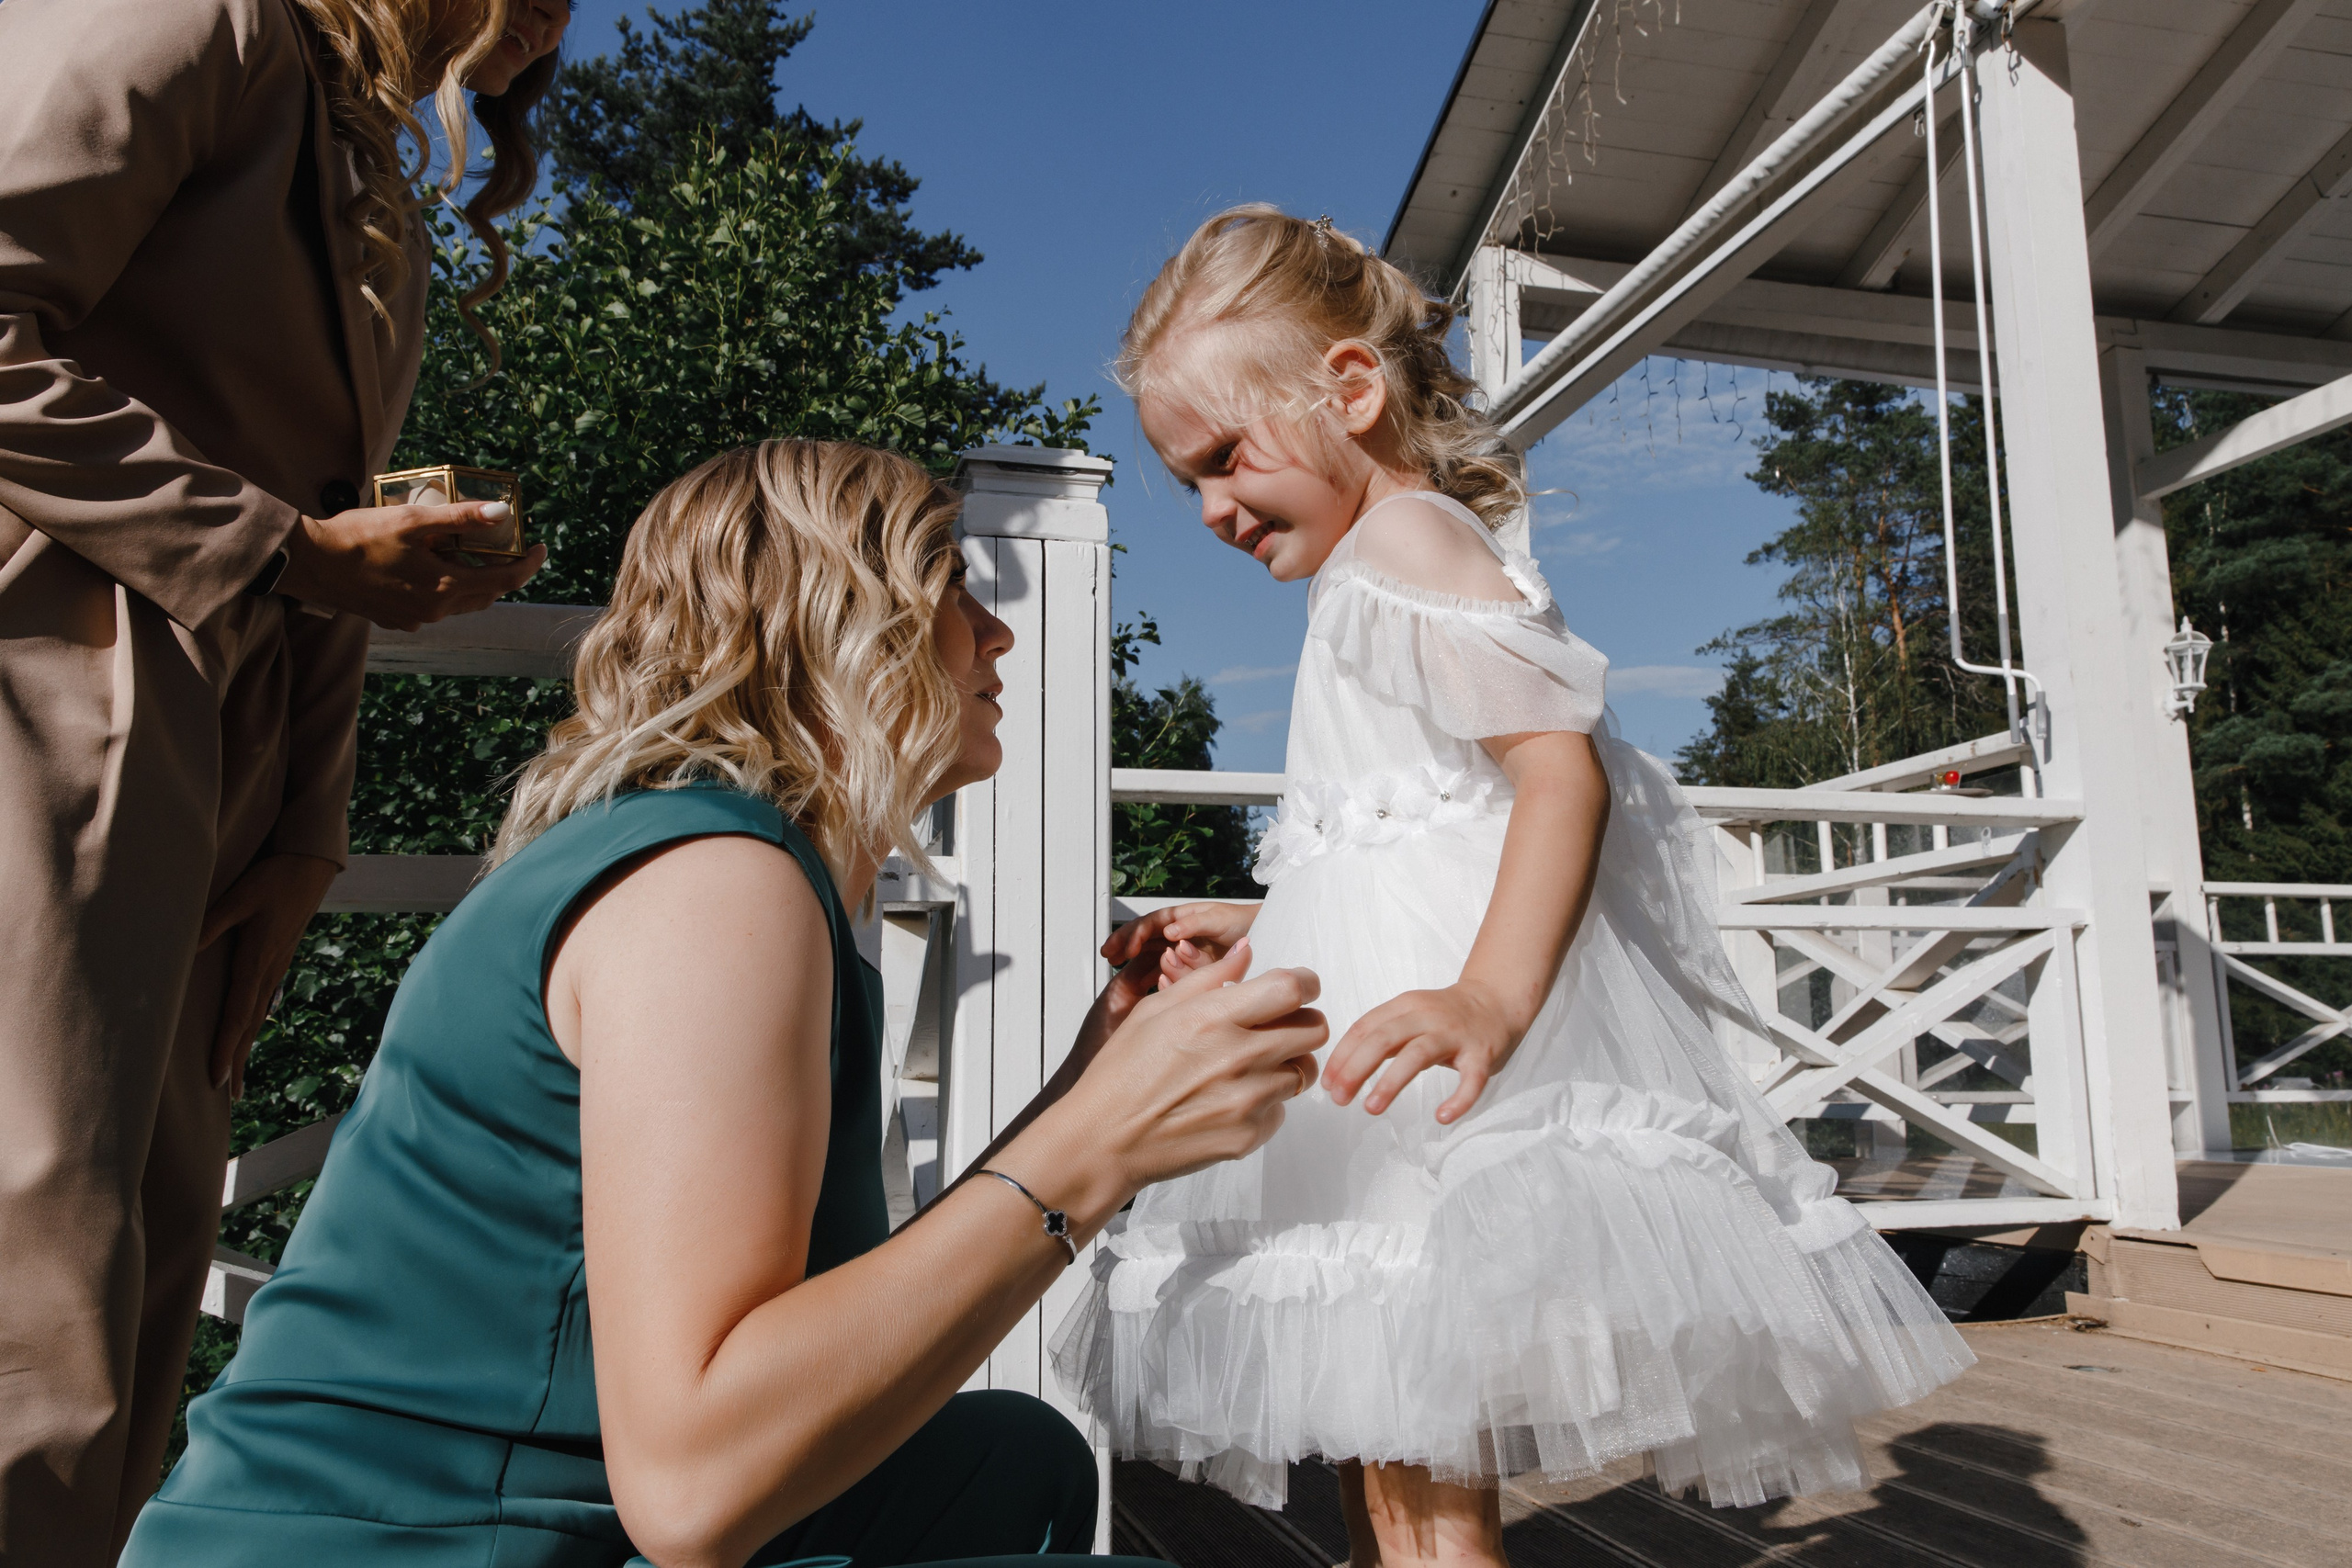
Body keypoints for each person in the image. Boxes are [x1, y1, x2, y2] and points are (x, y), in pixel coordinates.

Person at [122, 439, 1329, 1565]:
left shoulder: (743, 868)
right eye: (952, 590)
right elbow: (696, 1488)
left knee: (1017, 1463)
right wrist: (1098, 1145)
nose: (996, 636)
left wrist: (1093, 1078)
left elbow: (817, 1326)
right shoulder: (715, 888)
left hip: (523, 1517)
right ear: (836, 626)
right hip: (411, 1542)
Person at [1052, 207, 1974, 1565]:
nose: (1211, 508)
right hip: (1374, 1053)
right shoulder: (1369, 569)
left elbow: (1562, 776)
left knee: (1421, 1457)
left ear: (1353, 390)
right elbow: (1432, 825)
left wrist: (1490, 998)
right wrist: (1272, 920)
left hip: (1435, 1080)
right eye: (1185, 479)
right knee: (1395, 1449)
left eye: (1225, 458)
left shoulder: (1411, 547)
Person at [0, 0, 569, 1555]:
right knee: (31, 1283)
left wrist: (310, 819)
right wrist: (283, 549)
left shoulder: (360, 154)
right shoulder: (197, 19)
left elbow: (319, 531)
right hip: (41, 701)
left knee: (131, 1278)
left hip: (216, 774)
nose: (566, 18)